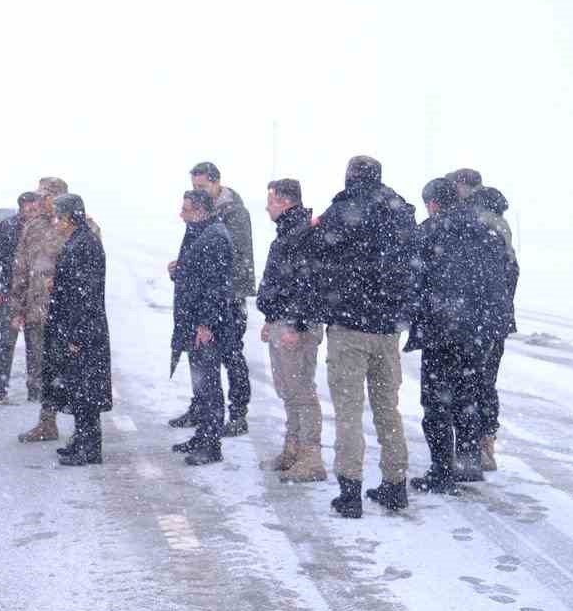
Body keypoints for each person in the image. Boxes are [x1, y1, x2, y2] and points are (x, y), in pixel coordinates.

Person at [316, 155, 417, 518]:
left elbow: (318, 258)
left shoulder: (341, 211)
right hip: (387, 329)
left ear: (350, 177)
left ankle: (350, 490)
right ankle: (395, 483)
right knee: (388, 409)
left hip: (349, 326)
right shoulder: (401, 212)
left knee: (348, 411)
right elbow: (413, 267)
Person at [405, 178, 513, 495]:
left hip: (443, 330)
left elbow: (414, 279)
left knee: (437, 403)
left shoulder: (428, 231)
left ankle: (442, 471)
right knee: (468, 396)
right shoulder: (488, 230)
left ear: (432, 203)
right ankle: (469, 462)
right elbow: (505, 275)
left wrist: (417, 316)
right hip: (480, 331)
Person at [170, 162, 256, 435]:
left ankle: (238, 413)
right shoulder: (199, 211)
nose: (198, 190)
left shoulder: (234, 213)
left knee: (230, 355)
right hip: (209, 295)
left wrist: (218, 292)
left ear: (217, 182)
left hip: (228, 296)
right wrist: (183, 268)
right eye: (195, 186)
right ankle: (200, 408)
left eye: (202, 186)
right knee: (200, 356)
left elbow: (233, 258)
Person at [256, 179, 327, 482]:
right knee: (288, 391)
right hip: (282, 322)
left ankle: (311, 458)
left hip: (295, 325)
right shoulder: (289, 231)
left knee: (301, 393)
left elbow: (307, 284)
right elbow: (282, 283)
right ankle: (293, 449)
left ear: (285, 201)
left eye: (271, 200)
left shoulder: (303, 233)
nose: (267, 206)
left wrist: (295, 325)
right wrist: (271, 319)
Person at [451, 167, 519, 474]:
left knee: (471, 381)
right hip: (495, 315)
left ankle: (478, 447)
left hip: (477, 316)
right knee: (485, 381)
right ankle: (485, 443)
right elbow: (511, 270)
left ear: (463, 186)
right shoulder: (497, 218)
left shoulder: (476, 219)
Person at [38, 194, 113, 466]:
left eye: (58, 216)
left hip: (84, 329)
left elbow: (86, 294)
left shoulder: (86, 244)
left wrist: (77, 335)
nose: (55, 222)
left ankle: (89, 448)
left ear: (69, 217)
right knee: (79, 389)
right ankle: (82, 440)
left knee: (86, 391)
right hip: (75, 325)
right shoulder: (77, 240)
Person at [171, 189, 235, 466]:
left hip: (205, 324)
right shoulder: (199, 231)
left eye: (185, 209)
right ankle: (203, 434)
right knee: (201, 383)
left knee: (209, 385)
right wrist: (180, 269)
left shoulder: (215, 237)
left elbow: (216, 286)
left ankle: (211, 444)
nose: (181, 214)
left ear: (199, 210)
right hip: (193, 319)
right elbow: (198, 275)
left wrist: (206, 324)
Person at [13, 195, 77, 441]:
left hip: (68, 313)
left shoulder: (80, 227)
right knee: (43, 370)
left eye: (46, 196)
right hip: (37, 311)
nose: (41, 201)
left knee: (73, 369)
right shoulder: (34, 226)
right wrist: (17, 308)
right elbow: (20, 268)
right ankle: (47, 422)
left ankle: (83, 426)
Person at [0, 192, 43, 404]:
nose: (31, 213)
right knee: (7, 342)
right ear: (20, 208)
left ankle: (35, 388)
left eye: (35, 209)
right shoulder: (7, 227)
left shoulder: (44, 229)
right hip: (11, 293)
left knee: (35, 343)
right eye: (28, 209)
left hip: (36, 296)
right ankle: (1, 388)